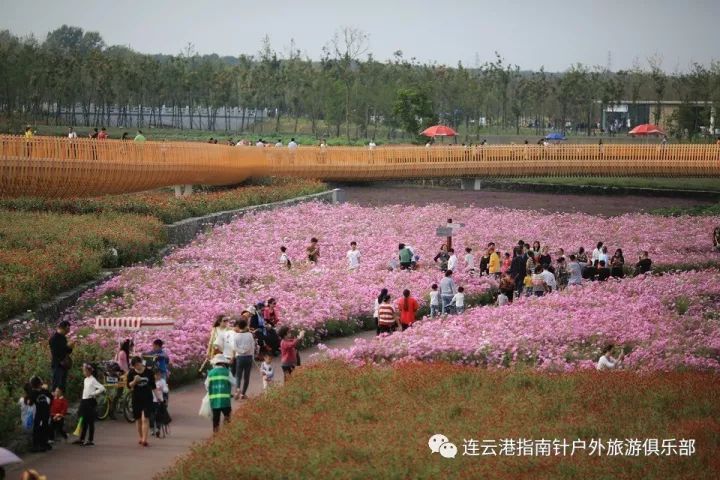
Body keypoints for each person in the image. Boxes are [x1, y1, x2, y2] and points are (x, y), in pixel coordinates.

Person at [73, 364, 104, 447]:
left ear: (89, 371)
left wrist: (93, 393)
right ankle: (82, 438)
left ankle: (90, 440)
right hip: (84, 400)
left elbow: (102, 388)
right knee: (83, 420)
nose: (83, 372)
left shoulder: (93, 380)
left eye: (85, 370)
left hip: (90, 401)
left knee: (90, 421)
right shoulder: (85, 379)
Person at [127, 356, 155, 446]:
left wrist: (159, 398)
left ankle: (144, 439)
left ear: (141, 363)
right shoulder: (131, 373)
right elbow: (129, 386)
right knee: (138, 419)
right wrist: (135, 381)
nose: (137, 367)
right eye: (134, 366)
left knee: (145, 418)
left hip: (147, 398)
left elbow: (153, 386)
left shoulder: (149, 372)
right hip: (136, 398)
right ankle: (141, 437)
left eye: (138, 365)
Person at [206, 354, 235, 433]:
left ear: (215, 363)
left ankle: (216, 434)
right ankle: (226, 434)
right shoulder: (227, 372)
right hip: (225, 401)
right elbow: (233, 382)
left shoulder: (210, 373)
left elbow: (206, 385)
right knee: (227, 417)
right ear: (224, 363)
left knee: (216, 419)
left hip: (214, 401)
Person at [232, 318, 255, 400]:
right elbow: (252, 346)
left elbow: (234, 347)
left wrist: (241, 352)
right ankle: (243, 393)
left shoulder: (236, 336)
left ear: (239, 326)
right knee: (246, 376)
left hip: (239, 357)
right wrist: (251, 355)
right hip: (248, 357)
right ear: (245, 326)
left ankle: (237, 389)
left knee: (238, 376)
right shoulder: (249, 335)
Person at [28, 377, 52, 452]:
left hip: (39, 413)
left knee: (36, 428)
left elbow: (30, 403)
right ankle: (44, 444)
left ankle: (36, 445)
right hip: (46, 411)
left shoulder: (32, 393)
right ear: (39, 384)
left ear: (32, 385)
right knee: (45, 427)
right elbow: (51, 396)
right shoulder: (44, 390)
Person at [49, 320, 73, 392]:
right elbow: (56, 353)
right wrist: (67, 347)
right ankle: (55, 402)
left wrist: (70, 348)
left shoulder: (63, 338)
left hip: (64, 365)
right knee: (56, 385)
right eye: (67, 329)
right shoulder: (54, 338)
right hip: (58, 365)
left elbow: (67, 352)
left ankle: (62, 402)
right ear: (63, 328)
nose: (68, 332)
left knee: (62, 385)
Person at [151, 370, 168, 437]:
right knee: (151, 416)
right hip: (151, 401)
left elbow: (166, 390)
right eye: (157, 375)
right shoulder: (151, 381)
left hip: (159, 401)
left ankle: (158, 429)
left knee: (158, 416)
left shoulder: (162, 381)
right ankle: (152, 429)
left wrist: (162, 389)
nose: (159, 376)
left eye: (159, 375)